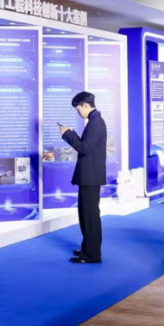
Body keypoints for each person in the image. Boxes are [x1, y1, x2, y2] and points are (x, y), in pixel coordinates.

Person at [62, 92, 107, 265]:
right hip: (89, 176)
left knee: (90, 217)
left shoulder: (96, 122)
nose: (78, 112)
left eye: (78, 108)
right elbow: (87, 145)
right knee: (86, 215)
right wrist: (72, 133)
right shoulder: (94, 121)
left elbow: (84, 148)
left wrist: (68, 135)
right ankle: (88, 249)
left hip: (91, 176)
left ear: (86, 105)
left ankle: (92, 255)